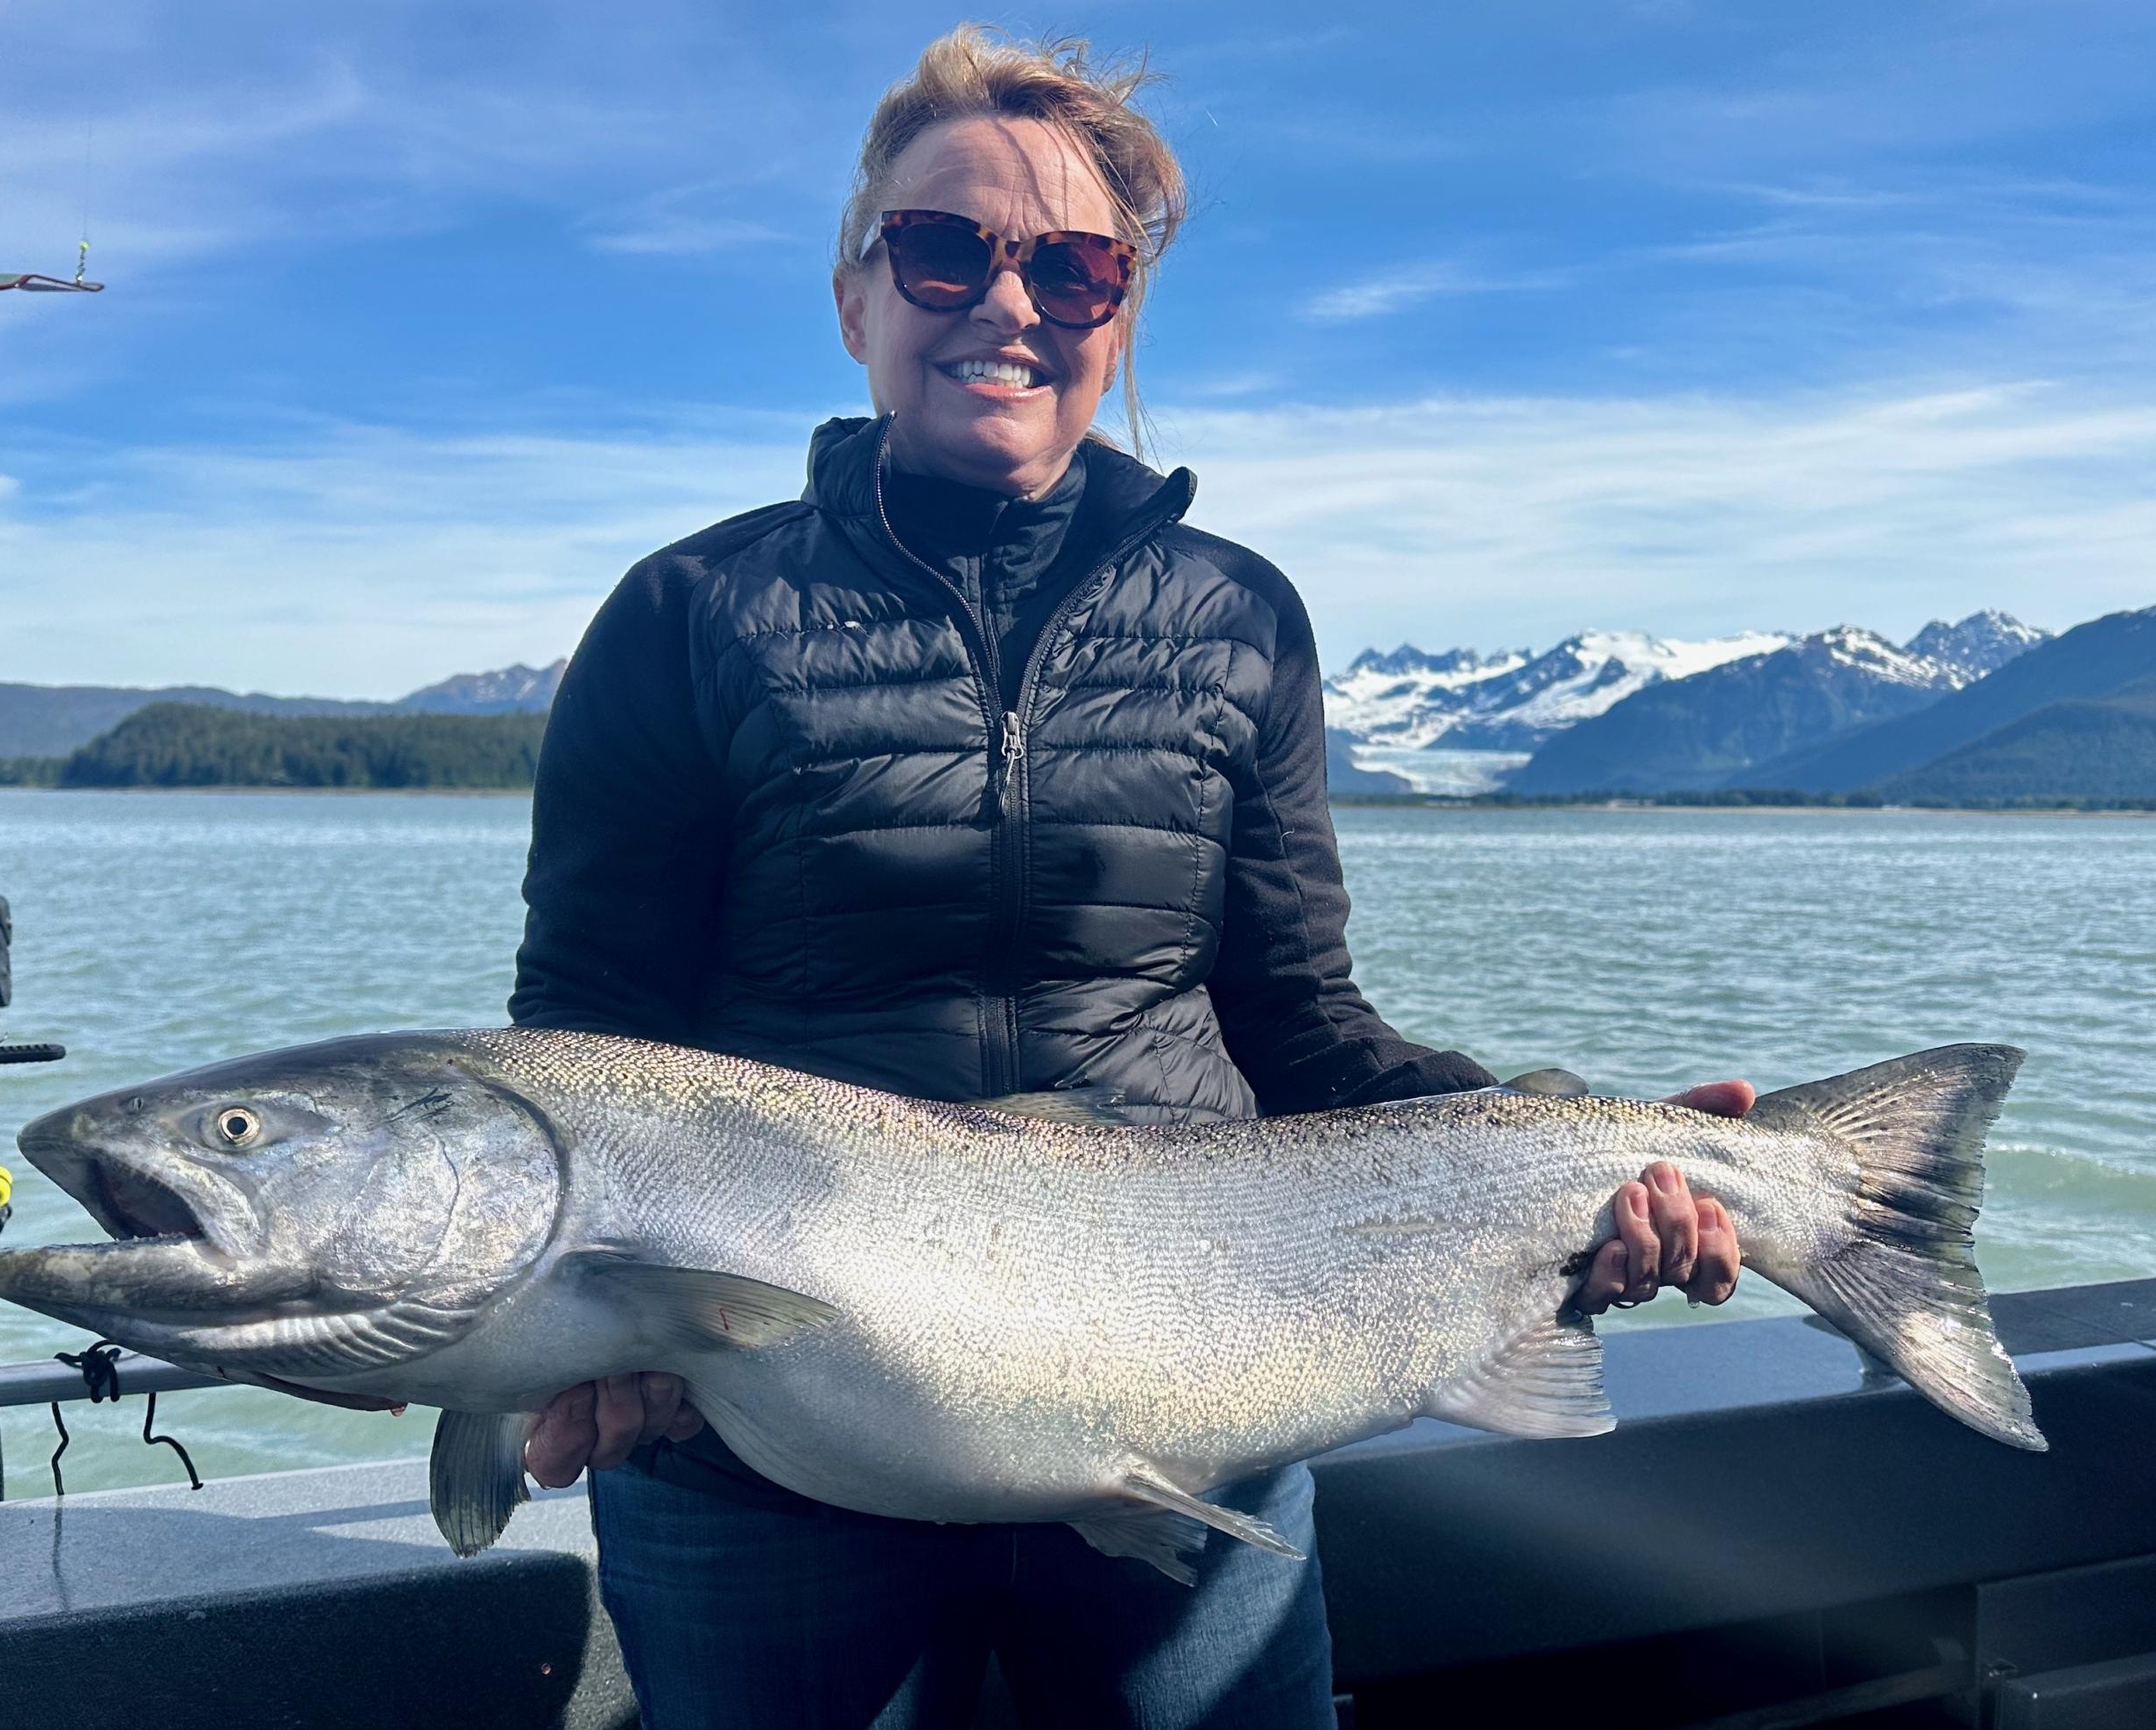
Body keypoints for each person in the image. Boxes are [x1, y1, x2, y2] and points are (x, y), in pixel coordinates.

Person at [508, 27, 1747, 1730]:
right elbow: (589, 1039)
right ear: (856, 294)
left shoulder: (1242, 617)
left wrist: (1580, 1163)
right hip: (766, 1455)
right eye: (944, 249)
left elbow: (1303, 1025)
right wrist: (606, 1325)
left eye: (1075, 267)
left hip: (1191, 1402)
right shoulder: (687, 616)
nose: (1007, 305)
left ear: (1119, 314)